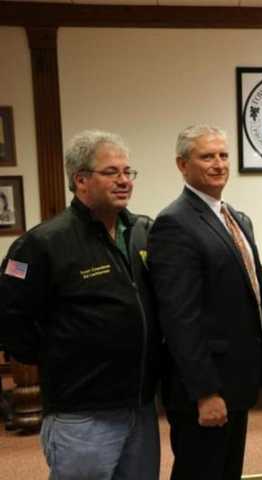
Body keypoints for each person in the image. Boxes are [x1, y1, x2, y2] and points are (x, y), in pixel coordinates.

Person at [0, 130, 161, 479]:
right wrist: (57, 355)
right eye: (111, 172)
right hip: (83, 414)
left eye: (127, 172)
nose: (123, 181)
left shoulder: (141, 232)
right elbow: (11, 320)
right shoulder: (43, 244)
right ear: (81, 180)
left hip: (141, 407)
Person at [148, 125, 262, 480]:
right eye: (207, 156)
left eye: (223, 155)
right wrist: (205, 392)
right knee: (200, 472)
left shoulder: (236, 217)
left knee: (227, 471)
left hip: (236, 382)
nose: (218, 164)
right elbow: (179, 318)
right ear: (182, 164)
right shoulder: (174, 223)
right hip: (205, 389)